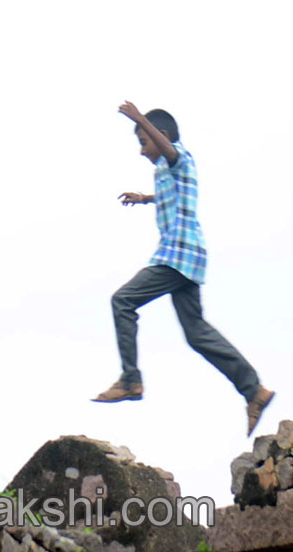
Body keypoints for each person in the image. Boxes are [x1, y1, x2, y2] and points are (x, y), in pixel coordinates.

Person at [93, 101, 274, 436]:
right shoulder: (166, 170)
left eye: (144, 142)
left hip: (176, 255)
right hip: (188, 258)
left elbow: (169, 152)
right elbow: (173, 193)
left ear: (160, 136)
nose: (142, 151)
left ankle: (131, 380)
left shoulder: (178, 156)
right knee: (196, 332)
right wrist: (144, 198)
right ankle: (254, 390)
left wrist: (139, 119)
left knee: (122, 301)